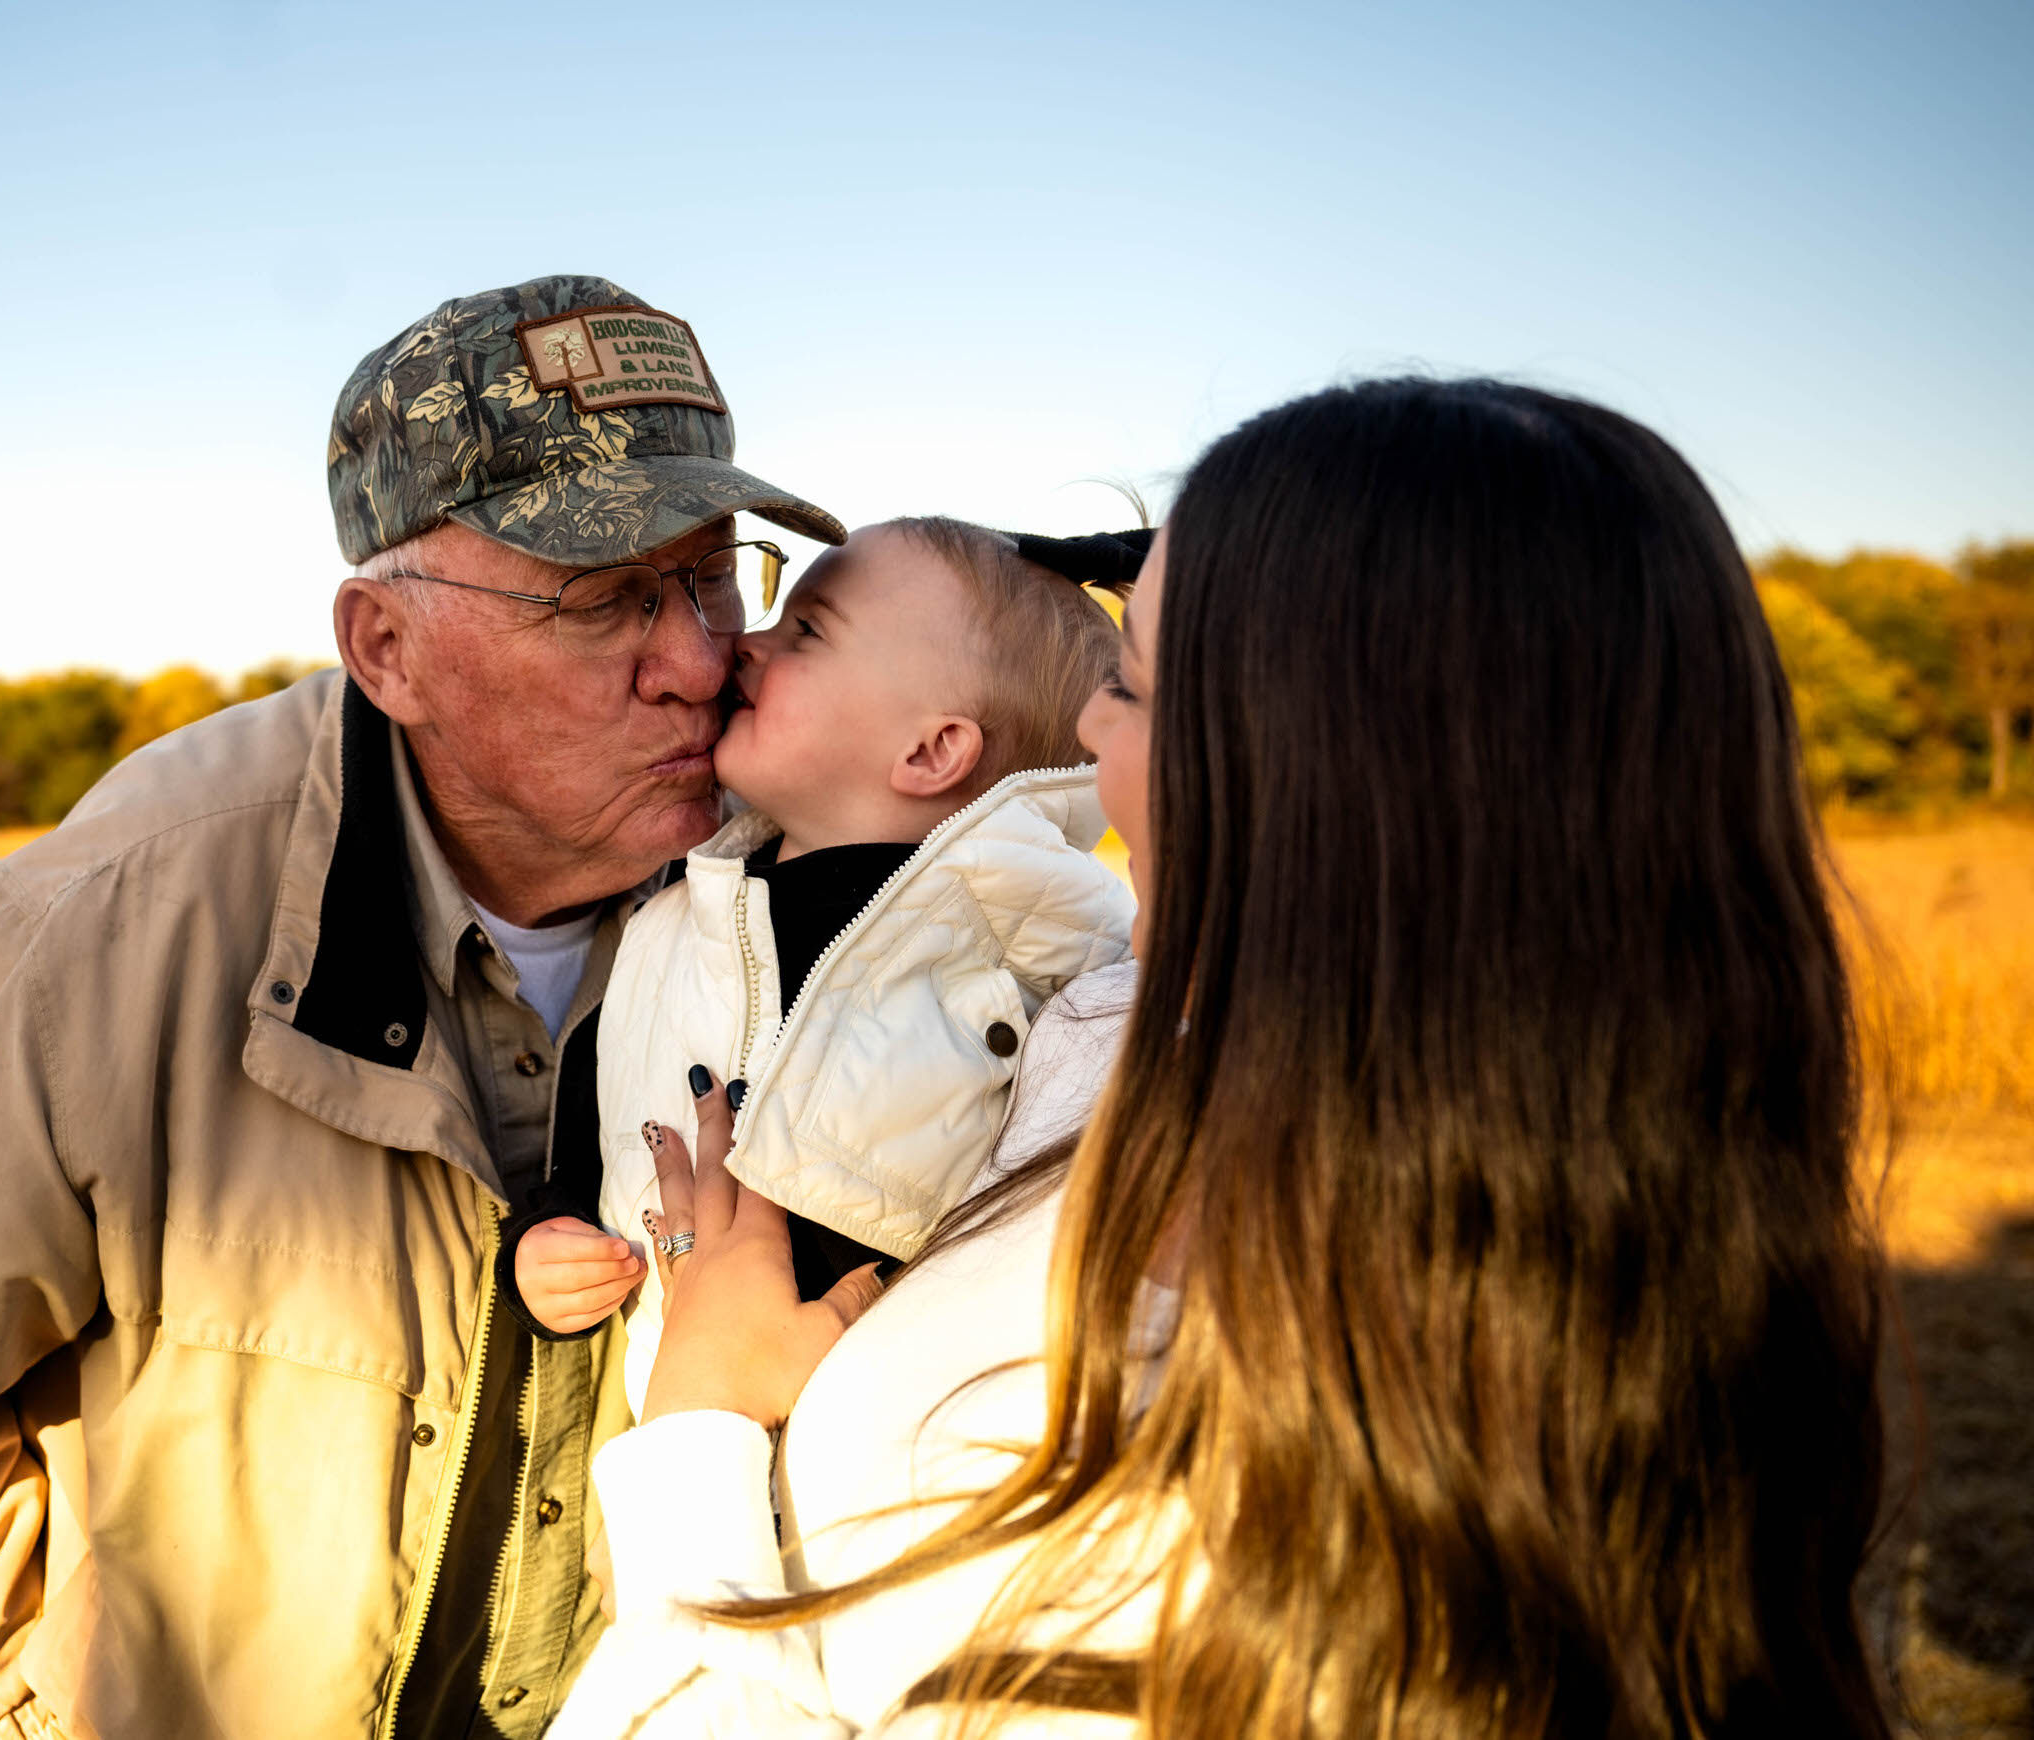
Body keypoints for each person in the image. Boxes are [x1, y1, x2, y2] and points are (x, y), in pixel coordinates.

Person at [555, 378, 1893, 1738]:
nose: (1081, 734)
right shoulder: (1137, 1048)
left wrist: (699, 1435)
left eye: (1130, 685)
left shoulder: (1286, 1444)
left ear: (1315, 776)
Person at [0, 274, 845, 1740]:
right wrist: (24, 1722)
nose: (697, 661)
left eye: (710, 577)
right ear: (386, 649)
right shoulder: (129, 916)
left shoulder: (802, 887)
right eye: (605, 597)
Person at [506, 518, 1140, 1426]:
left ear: (931, 752)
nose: (744, 647)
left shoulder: (1039, 963)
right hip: (675, 1459)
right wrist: (547, 1235)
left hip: (877, 1481)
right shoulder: (674, 911)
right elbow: (600, 1105)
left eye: (808, 631)